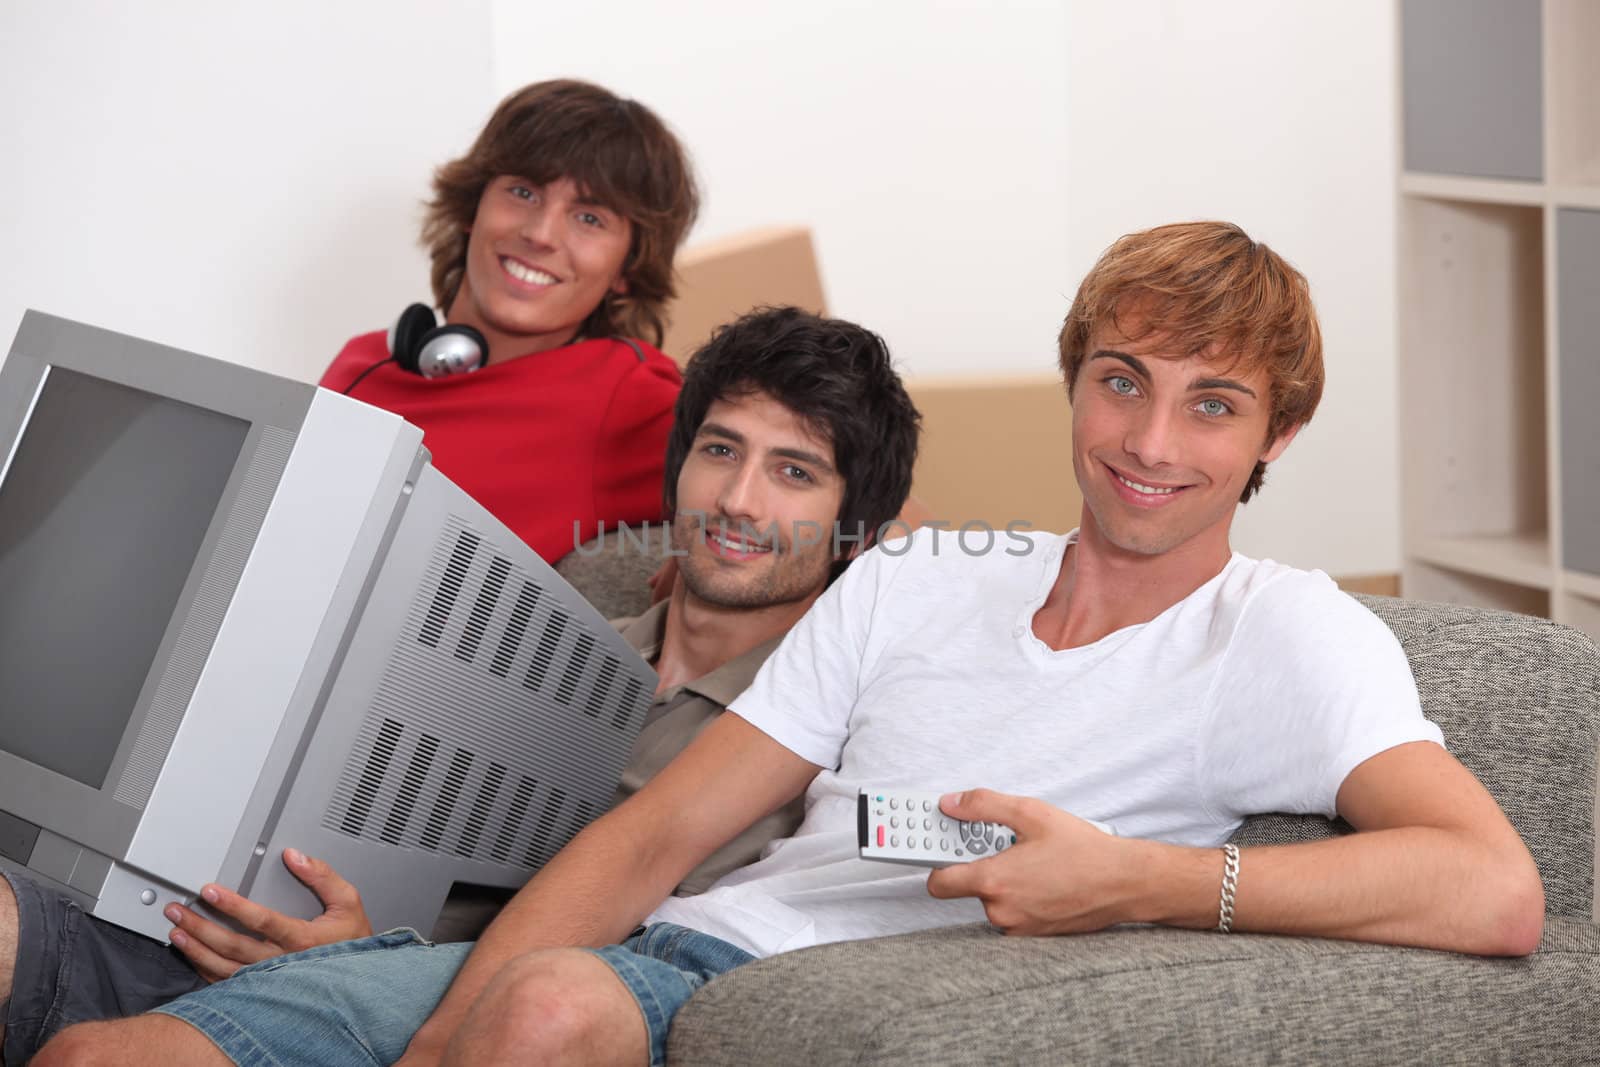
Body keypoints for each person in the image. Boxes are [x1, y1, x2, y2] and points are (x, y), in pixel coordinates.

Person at [31, 223, 1543, 1067]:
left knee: (553, 1005)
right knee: (109, 1060)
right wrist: (443, 1004)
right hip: (682, 941)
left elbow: (1490, 890)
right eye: (1122, 381)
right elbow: (664, 827)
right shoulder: (922, 575)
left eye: (1212, 403)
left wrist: (1139, 878)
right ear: (1074, 385)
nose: (1149, 442)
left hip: (744, 995)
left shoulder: (1284, 628)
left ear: (1279, 431)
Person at [1, 306, 920, 1064]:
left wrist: (368, 952)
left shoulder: (816, 738)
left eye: (794, 472)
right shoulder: (550, 647)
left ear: (855, 532)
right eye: (721, 450)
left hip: (421, 1001)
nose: (739, 499)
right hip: (232, 935)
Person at [320, 79, 700, 564]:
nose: (540, 234)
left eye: (590, 219)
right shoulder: (365, 362)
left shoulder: (626, 395)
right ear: (471, 208)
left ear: (627, 268)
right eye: (523, 192)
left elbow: (788, 511)